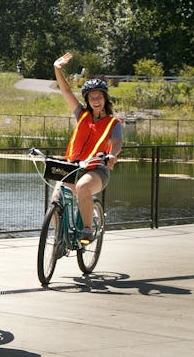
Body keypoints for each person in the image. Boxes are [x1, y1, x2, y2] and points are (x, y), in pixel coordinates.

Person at [53, 52, 122, 244]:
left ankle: (87, 229)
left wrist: (111, 155)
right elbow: (66, 91)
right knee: (55, 200)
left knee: (83, 187)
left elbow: (116, 141)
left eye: (99, 97)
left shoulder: (113, 122)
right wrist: (57, 68)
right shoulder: (81, 115)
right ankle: (60, 238)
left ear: (105, 98)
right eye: (91, 98)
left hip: (97, 169)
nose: (95, 100)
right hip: (73, 166)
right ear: (87, 100)